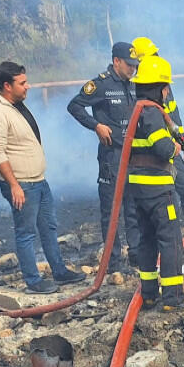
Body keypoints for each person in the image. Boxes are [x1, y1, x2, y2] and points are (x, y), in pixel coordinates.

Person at [0, 62, 87, 294]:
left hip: (38, 180)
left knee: (49, 227)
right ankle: (33, 281)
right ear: (7, 86)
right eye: (22, 83)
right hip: (22, 185)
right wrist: (14, 186)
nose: (28, 86)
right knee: (26, 233)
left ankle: (59, 271)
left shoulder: (17, 106)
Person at [128, 55, 184, 312]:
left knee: (147, 240)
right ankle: (173, 298)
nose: (167, 92)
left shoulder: (136, 110)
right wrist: (175, 147)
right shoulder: (153, 113)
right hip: (158, 188)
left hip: (139, 189)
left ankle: (149, 294)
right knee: (171, 241)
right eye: (165, 87)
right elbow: (161, 146)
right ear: (158, 87)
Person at [131, 36, 184, 235]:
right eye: (150, 57)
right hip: (152, 153)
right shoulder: (140, 90)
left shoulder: (161, 85)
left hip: (171, 146)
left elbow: (173, 118)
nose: (155, 60)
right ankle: (168, 238)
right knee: (162, 200)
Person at [67, 41, 139, 272]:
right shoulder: (100, 85)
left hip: (134, 153)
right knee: (112, 209)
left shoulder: (133, 85)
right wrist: (96, 125)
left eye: (135, 65)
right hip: (113, 155)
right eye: (129, 65)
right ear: (116, 61)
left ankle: (137, 256)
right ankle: (113, 262)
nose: (133, 69)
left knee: (133, 206)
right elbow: (75, 106)